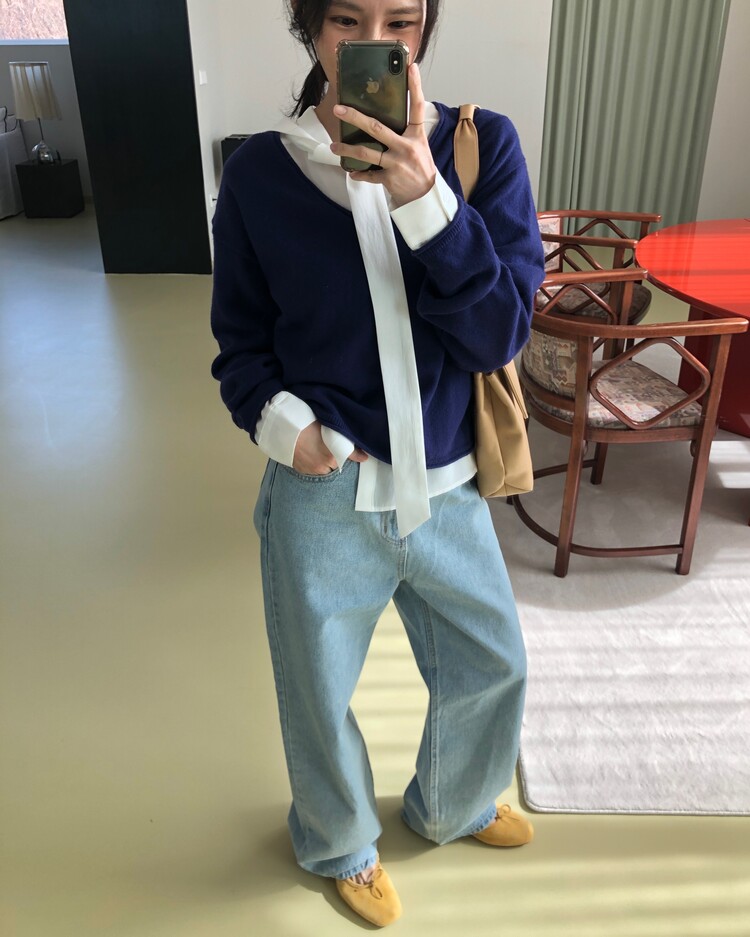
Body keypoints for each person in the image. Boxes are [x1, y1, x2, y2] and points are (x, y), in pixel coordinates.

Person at [210, 0, 545, 926]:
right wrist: (288, 430)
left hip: (449, 485)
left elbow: (500, 334)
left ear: (425, 28)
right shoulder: (260, 174)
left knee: (492, 662)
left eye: (402, 21)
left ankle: (455, 803)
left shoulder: (482, 149)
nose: (377, 44)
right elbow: (241, 346)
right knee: (316, 690)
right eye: (348, 21)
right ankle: (341, 842)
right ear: (310, 31)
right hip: (322, 492)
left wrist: (427, 200)